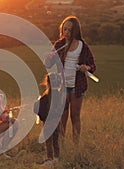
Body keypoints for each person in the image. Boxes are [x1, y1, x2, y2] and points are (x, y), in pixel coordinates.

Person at [44, 16, 96, 144]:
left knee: (75, 116)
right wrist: (49, 57)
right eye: (64, 29)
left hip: (77, 86)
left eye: (69, 30)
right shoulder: (59, 44)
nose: (66, 33)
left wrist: (86, 67)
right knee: (62, 117)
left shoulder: (82, 46)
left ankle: (75, 145)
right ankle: (61, 144)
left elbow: (92, 66)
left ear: (75, 31)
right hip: (62, 86)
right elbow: (49, 64)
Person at [34, 73, 64, 166]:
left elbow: (36, 108)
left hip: (48, 122)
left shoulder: (45, 97)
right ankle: (56, 158)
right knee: (55, 140)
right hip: (57, 122)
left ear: (48, 83)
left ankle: (49, 158)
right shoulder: (60, 96)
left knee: (48, 141)